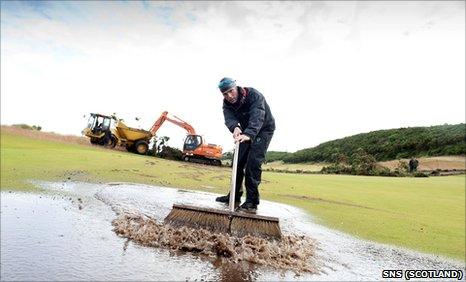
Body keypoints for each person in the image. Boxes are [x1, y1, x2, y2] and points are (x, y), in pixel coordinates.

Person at [215, 77, 275, 212]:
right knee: (237, 162)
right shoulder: (226, 103)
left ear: (236, 87)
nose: (229, 96)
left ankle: (252, 201)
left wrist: (249, 134)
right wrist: (235, 128)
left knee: (252, 163)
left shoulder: (254, 95)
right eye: (225, 94)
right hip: (245, 132)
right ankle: (234, 195)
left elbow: (258, 114)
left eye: (231, 91)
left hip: (263, 130)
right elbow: (229, 118)